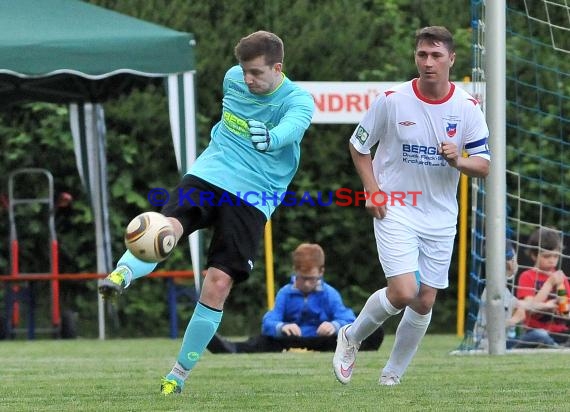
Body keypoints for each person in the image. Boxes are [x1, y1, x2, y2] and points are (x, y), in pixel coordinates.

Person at [98, 30, 315, 395]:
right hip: (210, 173)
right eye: (244, 70)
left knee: (217, 283)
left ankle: (178, 375)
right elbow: (239, 90)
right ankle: (121, 274)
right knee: (166, 228)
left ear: (278, 68)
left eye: (257, 73)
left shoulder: (297, 99)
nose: (248, 79)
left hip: (253, 195)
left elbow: (294, 127)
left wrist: (274, 137)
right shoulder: (233, 79)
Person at [332, 26, 491, 386]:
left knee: (424, 301)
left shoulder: (467, 108)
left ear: (451, 58)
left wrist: (459, 161)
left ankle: (392, 375)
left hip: (440, 215)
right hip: (397, 207)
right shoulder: (392, 99)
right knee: (405, 292)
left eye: (436, 55)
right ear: (415, 58)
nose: (428, 62)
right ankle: (352, 337)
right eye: (422, 54)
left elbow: (484, 165)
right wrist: (372, 189)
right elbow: (359, 146)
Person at [207, 243, 384, 354]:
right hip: (290, 341)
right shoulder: (285, 292)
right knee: (262, 341)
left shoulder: (329, 293)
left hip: (322, 340)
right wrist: (282, 327)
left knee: (362, 334)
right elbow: (269, 321)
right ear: (294, 271)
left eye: (312, 279)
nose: (307, 284)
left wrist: (334, 325)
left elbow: (348, 319)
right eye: (302, 278)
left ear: (321, 272)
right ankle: (230, 348)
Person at [473, 240, 557, 350]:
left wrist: (547, 305)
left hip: (503, 341)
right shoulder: (494, 292)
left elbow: (523, 305)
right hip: (489, 345)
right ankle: (558, 348)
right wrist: (515, 320)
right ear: (511, 263)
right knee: (539, 335)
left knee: (538, 335)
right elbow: (494, 328)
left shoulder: (499, 288)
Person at [516, 227, 570, 346]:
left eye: (555, 256)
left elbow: (566, 310)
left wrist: (562, 308)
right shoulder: (527, 276)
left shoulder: (561, 277)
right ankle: (556, 348)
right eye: (547, 256)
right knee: (540, 335)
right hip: (535, 331)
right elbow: (530, 308)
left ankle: (557, 347)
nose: (552, 261)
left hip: (561, 332)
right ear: (534, 255)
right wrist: (549, 285)